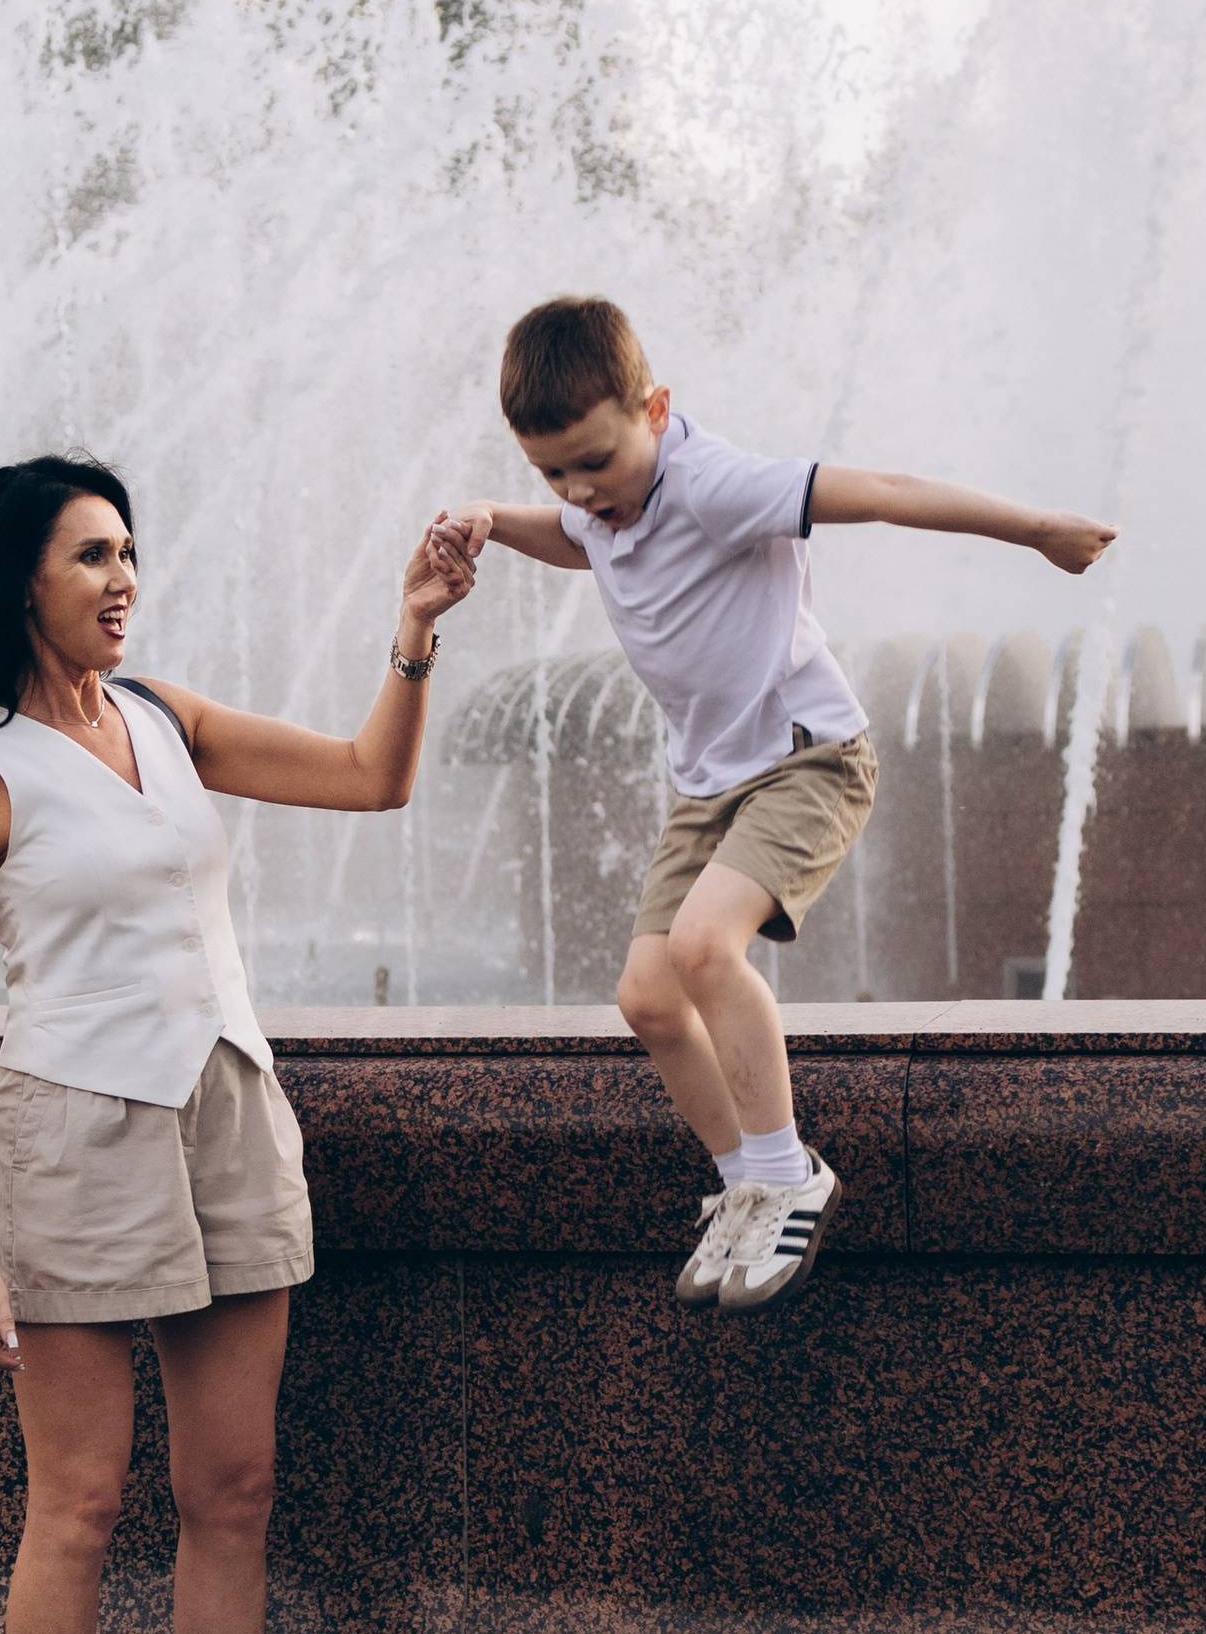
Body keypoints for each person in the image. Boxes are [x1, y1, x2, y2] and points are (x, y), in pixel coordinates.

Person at [0, 454, 473, 1634]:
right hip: (75, 1132)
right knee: (78, 1511)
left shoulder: (166, 716)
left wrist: (414, 627)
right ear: (20, 577)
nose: (121, 578)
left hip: (228, 1108)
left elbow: (372, 776)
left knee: (236, 1491)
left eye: (131, 552)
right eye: (91, 555)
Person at [431, 297, 1112, 1319]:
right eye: (550, 472)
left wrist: (1037, 530)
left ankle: (792, 1176)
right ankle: (746, 1180)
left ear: (655, 409)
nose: (579, 491)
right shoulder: (603, 499)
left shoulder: (714, 484)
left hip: (808, 760)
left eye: (593, 461)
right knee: (649, 998)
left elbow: (881, 492)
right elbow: (579, 537)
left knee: (707, 950)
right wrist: (497, 518)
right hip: (705, 786)